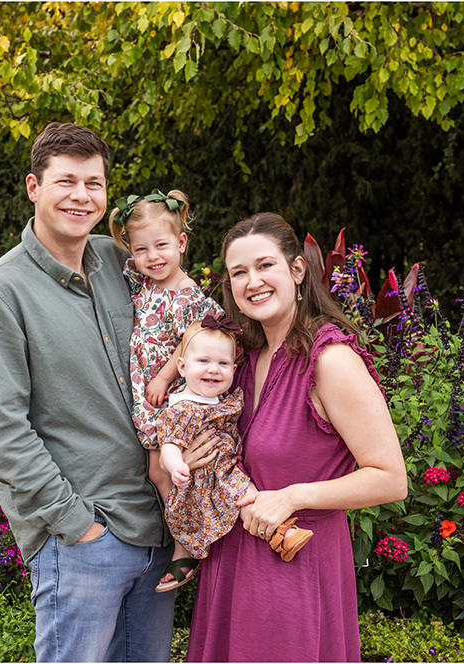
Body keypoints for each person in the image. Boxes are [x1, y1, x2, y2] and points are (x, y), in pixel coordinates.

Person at [0, 122, 186, 662]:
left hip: (154, 530)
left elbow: (180, 321)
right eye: (66, 181)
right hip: (83, 540)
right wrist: (76, 524)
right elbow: (2, 431)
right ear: (34, 188)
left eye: (94, 183)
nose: (81, 196)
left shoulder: (121, 264)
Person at [186, 212, 408, 662]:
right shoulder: (238, 362)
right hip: (231, 566)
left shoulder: (331, 361)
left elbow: (390, 478)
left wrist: (291, 496)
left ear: (297, 270)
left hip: (294, 571)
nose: (253, 282)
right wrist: (193, 457)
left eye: (265, 265)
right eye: (239, 273)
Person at [107, 189, 224, 589]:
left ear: (182, 243)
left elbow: (199, 338)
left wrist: (162, 375)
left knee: (162, 472)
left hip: (173, 400)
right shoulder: (146, 284)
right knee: (156, 471)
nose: (153, 256)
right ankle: (184, 534)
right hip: (149, 402)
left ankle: (187, 545)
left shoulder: (187, 294)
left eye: (161, 246)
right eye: (142, 249)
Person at [155, 315, 315, 592]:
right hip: (205, 477)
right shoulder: (182, 408)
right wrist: (175, 465)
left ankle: (283, 533)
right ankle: (282, 533)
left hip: (229, 467)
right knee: (242, 501)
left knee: (249, 499)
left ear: (234, 368)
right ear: (182, 367)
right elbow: (169, 444)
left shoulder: (226, 399)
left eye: (223, 363)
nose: (213, 370)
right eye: (203, 362)